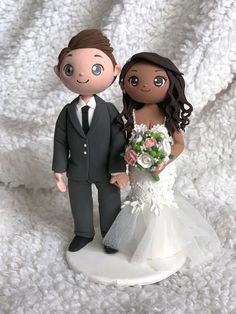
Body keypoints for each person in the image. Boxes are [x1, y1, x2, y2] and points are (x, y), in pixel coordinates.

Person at [103, 52, 221, 270]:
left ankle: (162, 244)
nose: (146, 86)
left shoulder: (168, 119)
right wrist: (128, 153)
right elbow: (124, 144)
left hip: (161, 170)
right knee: (140, 199)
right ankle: (138, 240)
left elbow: (179, 144)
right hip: (138, 172)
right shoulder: (131, 119)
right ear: (124, 85)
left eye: (158, 80)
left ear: (171, 84)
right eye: (134, 80)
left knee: (158, 201)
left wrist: (165, 159)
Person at [52, 29, 128, 253]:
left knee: (110, 203)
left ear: (115, 70)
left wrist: (118, 169)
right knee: (79, 204)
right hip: (76, 171)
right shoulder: (67, 112)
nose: (82, 76)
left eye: (97, 68)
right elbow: (60, 140)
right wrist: (58, 168)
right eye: (69, 69)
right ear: (59, 72)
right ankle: (83, 232)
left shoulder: (109, 111)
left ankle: (111, 235)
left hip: (106, 170)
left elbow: (118, 141)